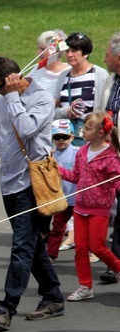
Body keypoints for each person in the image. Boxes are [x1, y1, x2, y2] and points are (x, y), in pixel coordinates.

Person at [0, 57, 65, 331]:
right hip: (9, 183)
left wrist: (13, 96)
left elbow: (27, 129)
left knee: (22, 247)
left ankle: (6, 308)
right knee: (32, 245)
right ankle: (52, 295)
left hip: (32, 183)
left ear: (14, 78)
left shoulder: (41, 98)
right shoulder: (4, 99)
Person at [58, 112, 120, 301]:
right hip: (80, 207)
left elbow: (117, 183)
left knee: (98, 247)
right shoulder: (82, 152)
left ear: (100, 132)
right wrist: (57, 169)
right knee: (81, 249)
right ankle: (85, 286)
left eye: (87, 128)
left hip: (99, 210)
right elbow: (75, 176)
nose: (83, 131)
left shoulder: (111, 156)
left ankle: (118, 268)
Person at [54, 33, 111, 146]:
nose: (69, 55)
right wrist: (66, 112)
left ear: (86, 53)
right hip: (65, 139)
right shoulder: (63, 76)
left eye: (75, 51)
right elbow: (53, 110)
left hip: (91, 139)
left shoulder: (99, 74)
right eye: (67, 51)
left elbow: (105, 109)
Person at [97, 32, 120, 284]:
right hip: (111, 152)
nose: (104, 59)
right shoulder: (111, 80)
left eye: (107, 55)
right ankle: (115, 263)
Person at [47, 120, 79, 261]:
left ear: (72, 137)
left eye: (65, 137)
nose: (61, 140)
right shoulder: (51, 155)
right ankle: (51, 255)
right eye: (57, 137)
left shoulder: (78, 152)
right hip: (61, 198)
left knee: (85, 229)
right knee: (57, 228)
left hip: (78, 198)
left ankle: (91, 252)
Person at [27, 30, 70, 98]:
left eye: (43, 49)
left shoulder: (68, 72)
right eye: (39, 48)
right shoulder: (37, 68)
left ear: (56, 51)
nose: (38, 53)